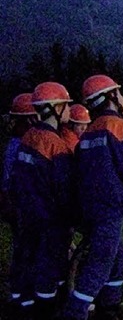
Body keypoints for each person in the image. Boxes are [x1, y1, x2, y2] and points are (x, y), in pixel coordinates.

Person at [62, 75, 123, 320]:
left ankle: (108, 309)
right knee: (98, 266)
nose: (122, 97)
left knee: (118, 262)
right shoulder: (122, 128)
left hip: (89, 209)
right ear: (112, 97)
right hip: (110, 210)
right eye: (118, 92)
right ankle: (74, 313)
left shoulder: (88, 133)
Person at [9, 83, 74, 320]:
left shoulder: (29, 137)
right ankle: (45, 309)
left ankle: (22, 304)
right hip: (50, 219)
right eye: (66, 105)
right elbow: (64, 189)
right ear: (55, 108)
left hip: (27, 214)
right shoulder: (55, 144)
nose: (69, 111)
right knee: (49, 265)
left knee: (27, 258)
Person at [2, 92, 39, 317]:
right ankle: (26, 301)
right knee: (30, 253)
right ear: (31, 119)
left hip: (17, 207)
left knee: (23, 252)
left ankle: (19, 296)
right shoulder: (22, 145)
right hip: (23, 209)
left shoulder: (14, 144)